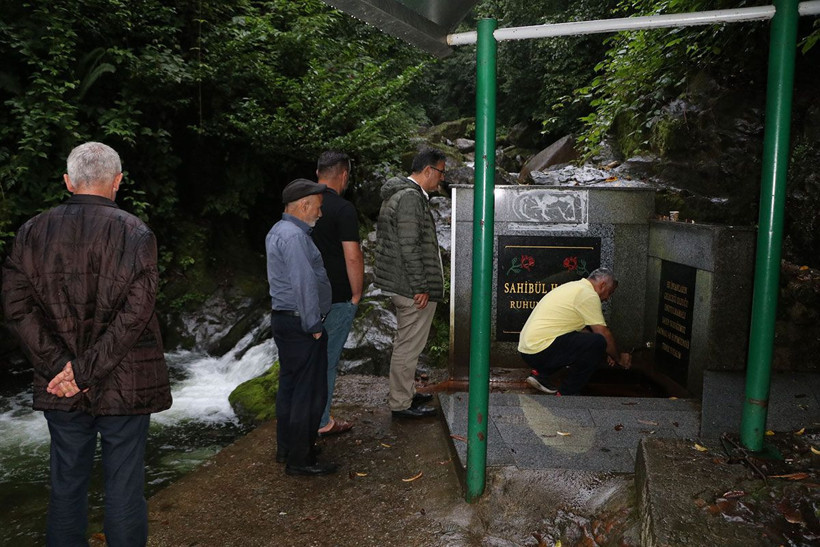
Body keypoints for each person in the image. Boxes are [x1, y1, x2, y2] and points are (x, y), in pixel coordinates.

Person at [1, 142, 172, 546]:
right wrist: (84, 372)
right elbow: (137, 315)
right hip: (124, 382)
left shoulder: (31, 232)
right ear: (117, 182)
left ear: (68, 181)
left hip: (58, 382)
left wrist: (66, 369)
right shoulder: (137, 233)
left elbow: (15, 308)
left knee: (66, 488)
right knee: (125, 488)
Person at [266, 178, 337, 476]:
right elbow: (304, 283)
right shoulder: (294, 237)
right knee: (308, 394)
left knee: (291, 389)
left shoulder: (279, 231)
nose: (320, 214)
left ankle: (288, 448)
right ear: (304, 205)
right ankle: (301, 459)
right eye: (318, 208)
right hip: (300, 322)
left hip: (285, 320)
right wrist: (313, 324)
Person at [374, 148, 446, 419]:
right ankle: (401, 404)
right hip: (409, 287)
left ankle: (405, 393)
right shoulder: (409, 198)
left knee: (408, 342)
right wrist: (420, 286)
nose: (441, 179)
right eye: (440, 172)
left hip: (402, 283)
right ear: (428, 170)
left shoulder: (403, 195)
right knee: (408, 345)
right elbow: (409, 246)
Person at [311, 151, 362, 437]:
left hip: (304, 296)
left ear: (317, 172)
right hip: (335, 295)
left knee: (304, 360)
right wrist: (356, 295)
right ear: (343, 175)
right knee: (328, 360)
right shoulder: (343, 209)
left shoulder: (299, 205)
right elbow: (352, 256)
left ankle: (300, 416)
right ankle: (321, 421)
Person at [518, 267, 632, 396]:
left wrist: (608, 352)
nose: (607, 298)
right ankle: (567, 392)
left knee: (592, 342)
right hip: (539, 351)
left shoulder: (574, 287)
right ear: (603, 285)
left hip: (528, 350)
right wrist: (619, 358)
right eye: (610, 293)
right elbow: (603, 334)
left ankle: (541, 374)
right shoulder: (588, 294)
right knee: (598, 341)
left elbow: (583, 335)